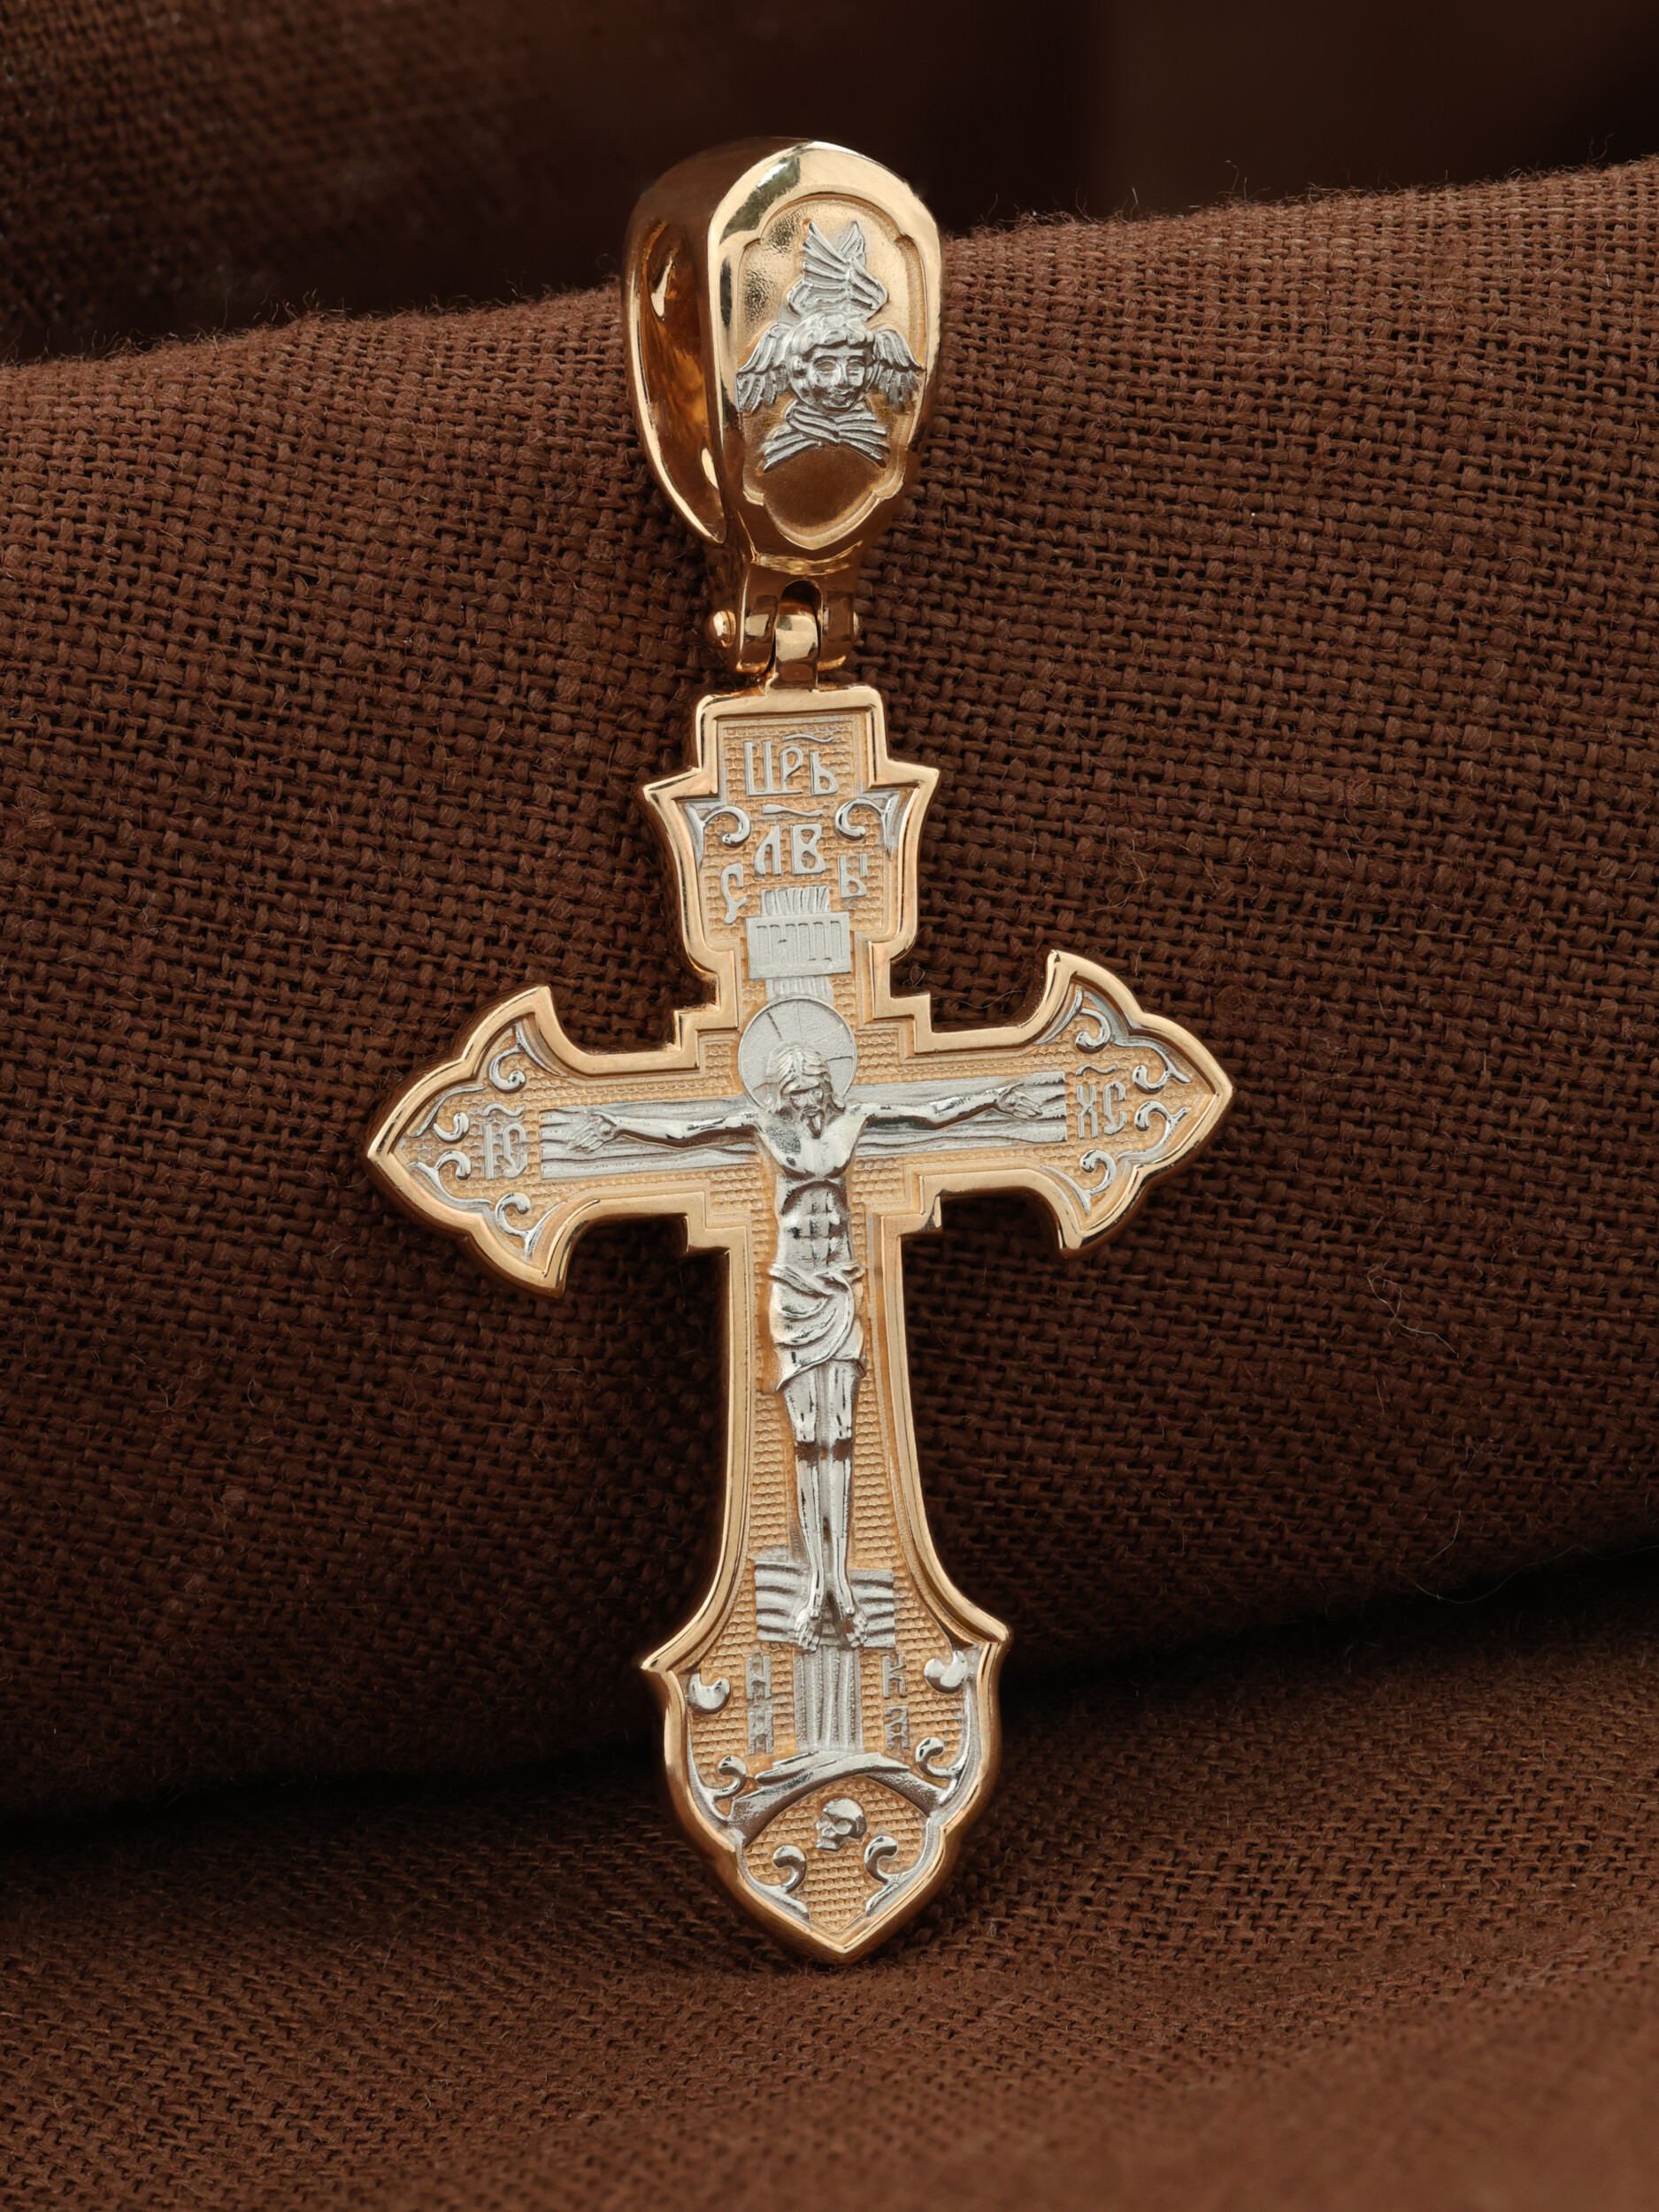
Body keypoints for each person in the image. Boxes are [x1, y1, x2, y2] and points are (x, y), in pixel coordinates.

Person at [572, 1030, 1043, 1648]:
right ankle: (816, 1582)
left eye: (816, 1087)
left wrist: (998, 1099)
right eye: (798, 1090)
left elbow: (931, 1113)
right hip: (794, 1295)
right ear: (783, 1094)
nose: (810, 1098)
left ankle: (838, 1583)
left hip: (841, 1292)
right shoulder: (765, 1128)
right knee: (805, 1440)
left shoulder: (855, 1121)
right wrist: (616, 1125)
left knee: (839, 1437)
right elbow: (687, 1133)